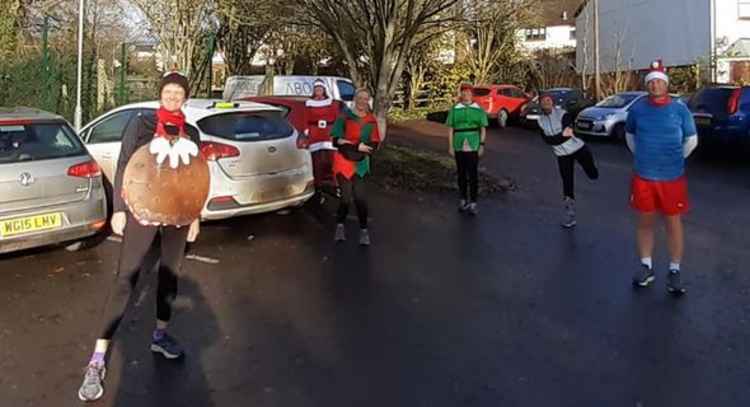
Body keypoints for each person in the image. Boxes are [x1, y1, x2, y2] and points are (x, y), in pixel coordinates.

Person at [78, 72, 202, 402]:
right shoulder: (142, 124)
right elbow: (124, 165)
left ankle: (160, 336)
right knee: (126, 279)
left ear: (185, 98)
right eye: (168, 91)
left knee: (169, 276)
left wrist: (195, 216)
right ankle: (98, 358)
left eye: (179, 92)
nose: (173, 96)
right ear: (161, 94)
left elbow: (195, 177)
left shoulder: (192, 132)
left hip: (178, 214)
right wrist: (119, 209)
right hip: (141, 209)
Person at [626, 60, 698, 295]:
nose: (655, 85)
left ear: (665, 84)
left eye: (659, 81)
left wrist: (674, 160)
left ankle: (674, 270)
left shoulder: (679, 109)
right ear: (647, 85)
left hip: (672, 178)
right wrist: (645, 158)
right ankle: (646, 266)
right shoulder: (637, 109)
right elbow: (630, 136)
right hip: (644, 177)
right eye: (651, 82)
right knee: (645, 223)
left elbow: (691, 140)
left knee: (673, 224)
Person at [537, 92, 599, 228]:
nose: (546, 103)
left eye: (548, 100)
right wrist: (559, 137)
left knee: (593, 174)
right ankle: (570, 213)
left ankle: (592, 167)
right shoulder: (540, 120)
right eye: (543, 101)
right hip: (562, 155)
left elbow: (567, 134)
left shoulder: (562, 114)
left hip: (578, 149)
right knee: (567, 181)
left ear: (552, 102)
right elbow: (547, 140)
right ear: (540, 104)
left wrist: (556, 138)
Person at [331, 88, 381, 245]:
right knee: (345, 198)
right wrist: (356, 146)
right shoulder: (344, 117)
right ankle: (340, 225)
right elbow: (336, 140)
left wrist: (350, 144)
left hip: (361, 164)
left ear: (368, 101)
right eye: (359, 98)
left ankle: (364, 230)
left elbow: (374, 143)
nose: (362, 101)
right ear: (354, 99)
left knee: (360, 198)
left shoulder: (371, 120)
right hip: (343, 163)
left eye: (365, 99)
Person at [445, 83, 488, 216]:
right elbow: (450, 129)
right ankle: (463, 199)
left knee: (473, 174)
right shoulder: (455, 109)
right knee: (461, 174)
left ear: (472, 94)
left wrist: (482, 145)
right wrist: (451, 146)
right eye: (463, 92)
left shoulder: (478, 109)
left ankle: (473, 202)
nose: (466, 94)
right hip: (458, 143)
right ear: (461, 94)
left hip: (473, 143)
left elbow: (483, 128)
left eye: (468, 92)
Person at [302, 79, 342, 204]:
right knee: (317, 162)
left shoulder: (332, 103)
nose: (318, 91)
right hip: (315, 134)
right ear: (314, 90)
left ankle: (335, 185)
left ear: (324, 90)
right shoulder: (308, 104)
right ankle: (318, 188)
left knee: (332, 161)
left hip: (328, 134)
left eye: (320, 88)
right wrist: (306, 130)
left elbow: (338, 119)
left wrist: (337, 133)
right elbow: (304, 118)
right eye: (316, 89)